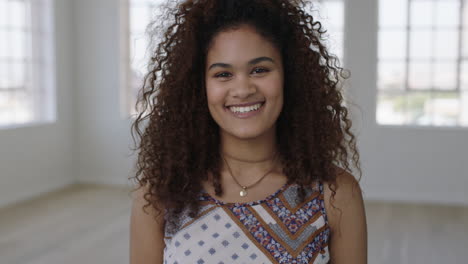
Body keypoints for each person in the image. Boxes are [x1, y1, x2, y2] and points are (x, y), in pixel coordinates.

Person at [129, 0, 367, 263]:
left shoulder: (336, 193)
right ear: (198, 87)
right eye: (222, 74)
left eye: (259, 70)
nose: (242, 89)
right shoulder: (161, 193)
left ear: (291, 76)